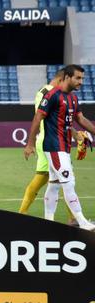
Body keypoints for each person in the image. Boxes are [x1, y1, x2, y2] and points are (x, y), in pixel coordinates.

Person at [24, 64, 95, 229]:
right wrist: (30, 143)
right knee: (69, 183)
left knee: (54, 184)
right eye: (78, 78)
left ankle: (48, 220)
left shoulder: (73, 98)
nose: (81, 82)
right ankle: (82, 222)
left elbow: (81, 119)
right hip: (54, 146)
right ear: (67, 77)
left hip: (64, 147)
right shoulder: (52, 95)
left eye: (82, 78)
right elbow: (37, 118)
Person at [19, 68, 79, 223]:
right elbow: (49, 118)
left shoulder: (44, 91)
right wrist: (30, 143)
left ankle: (72, 218)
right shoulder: (51, 93)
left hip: (51, 140)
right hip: (51, 141)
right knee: (60, 179)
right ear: (62, 79)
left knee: (60, 180)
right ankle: (22, 213)